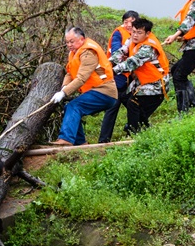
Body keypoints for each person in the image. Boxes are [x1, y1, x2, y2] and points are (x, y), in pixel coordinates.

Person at [50, 27, 119, 146]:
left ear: (81, 39)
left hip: (105, 91)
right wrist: (64, 87)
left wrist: (64, 93)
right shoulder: (75, 53)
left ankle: (66, 139)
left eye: (71, 41)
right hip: (96, 91)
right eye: (67, 42)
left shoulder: (88, 52)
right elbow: (70, 74)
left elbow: (81, 78)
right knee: (69, 107)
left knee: (74, 106)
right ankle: (80, 143)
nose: (69, 45)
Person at [109, 17, 170, 134]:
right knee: (124, 97)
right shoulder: (131, 39)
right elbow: (122, 52)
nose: (135, 35)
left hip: (156, 83)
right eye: (134, 31)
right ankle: (143, 125)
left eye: (139, 33)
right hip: (142, 81)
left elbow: (132, 62)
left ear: (147, 33)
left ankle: (132, 132)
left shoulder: (148, 48)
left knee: (133, 103)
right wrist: (107, 64)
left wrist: (111, 72)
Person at [99, 10, 138, 143]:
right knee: (113, 107)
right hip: (117, 76)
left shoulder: (139, 33)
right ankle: (104, 140)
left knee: (134, 107)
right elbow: (116, 51)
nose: (128, 24)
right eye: (125, 22)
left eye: (131, 22)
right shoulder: (118, 33)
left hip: (129, 79)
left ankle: (138, 132)